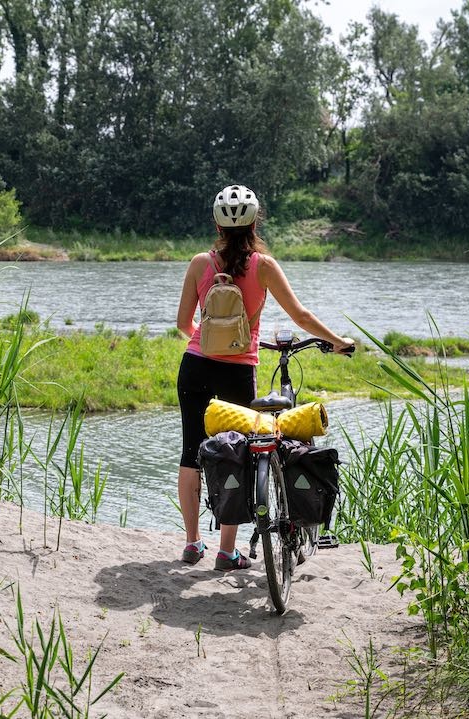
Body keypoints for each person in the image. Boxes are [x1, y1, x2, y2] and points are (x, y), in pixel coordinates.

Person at [175, 184, 355, 570]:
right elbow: (301, 316)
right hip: (238, 371)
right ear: (257, 221)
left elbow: (182, 324)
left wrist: (207, 339)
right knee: (236, 453)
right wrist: (337, 342)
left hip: (195, 365)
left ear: (216, 223)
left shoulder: (198, 263)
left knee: (191, 451)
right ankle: (226, 551)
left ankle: (192, 544)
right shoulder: (264, 266)